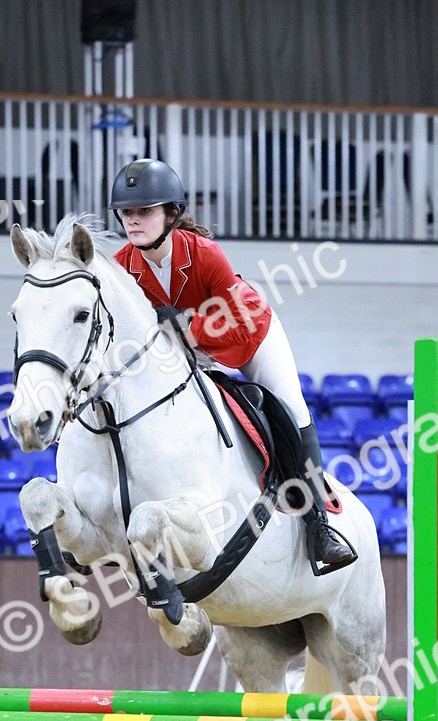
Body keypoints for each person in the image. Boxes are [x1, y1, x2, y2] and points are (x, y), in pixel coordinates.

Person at [109, 158, 354, 570]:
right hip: (187, 352)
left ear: (171, 213)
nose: (133, 221)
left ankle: (320, 528)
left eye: (144, 211)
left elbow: (239, 323)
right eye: (127, 212)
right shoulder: (121, 267)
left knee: (292, 407)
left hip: (250, 334)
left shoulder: (203, 254)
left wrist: (187, 326)